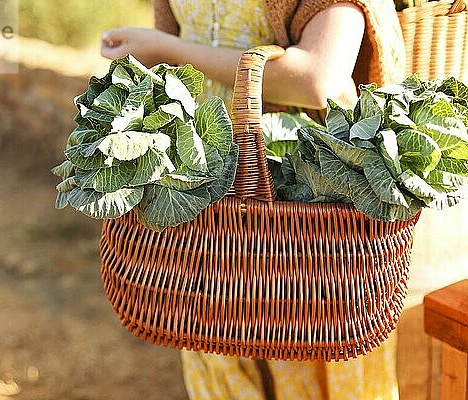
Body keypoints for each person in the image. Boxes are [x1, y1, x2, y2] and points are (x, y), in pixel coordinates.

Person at [100, 0, 406, 398]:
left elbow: (319, 79)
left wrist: (164, 49)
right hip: (203, 178)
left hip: (299, 190)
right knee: (211, 332)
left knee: (302, 341)